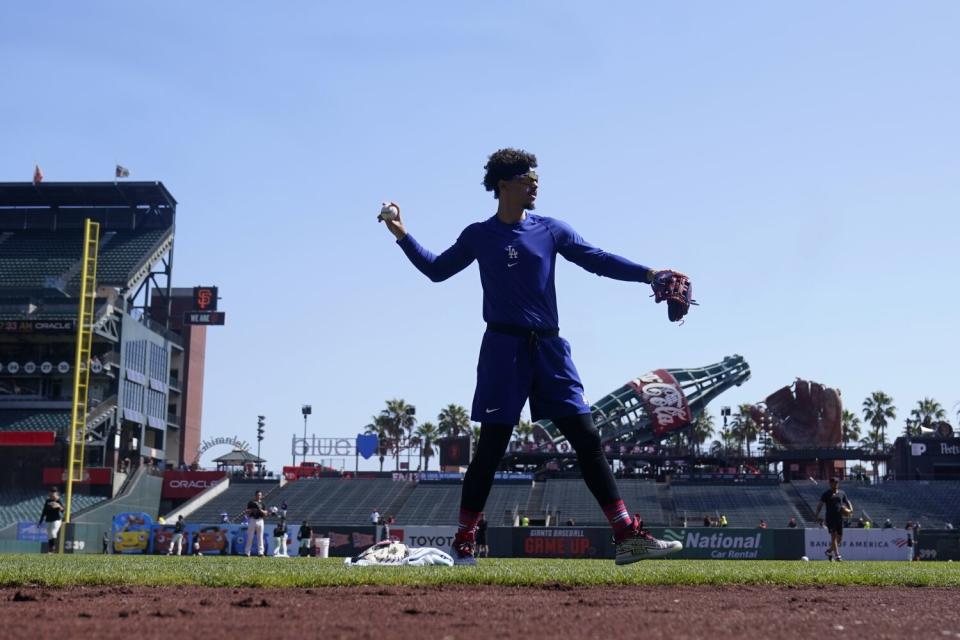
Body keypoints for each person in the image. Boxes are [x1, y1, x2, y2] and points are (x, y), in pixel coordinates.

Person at [380, 148, 683, 566]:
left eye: (535, 177)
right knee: (491, 449)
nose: (535, 184)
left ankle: (627, 535)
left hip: (551, 350)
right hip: (503, 350)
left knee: (587, 438)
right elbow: (436, 270)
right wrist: (401, 233)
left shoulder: (551, 229)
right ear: (504, 185)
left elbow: (597, 259)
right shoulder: (479, 234)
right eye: (526, 178)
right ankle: (464, 542)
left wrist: (649, 274)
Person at [814, 476, 852, 562]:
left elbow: (847, 501)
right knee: (833, 536)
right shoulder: (826, 494)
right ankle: (837, 556)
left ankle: (829, 551)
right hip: (830, 518)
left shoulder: (842, 493)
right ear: (830, 484)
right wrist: (816, 515)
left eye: (836, 482)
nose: (835, 484)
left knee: (840, 538)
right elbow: (820, 505)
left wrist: (851, 509)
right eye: (833, 482)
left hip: (839, 518)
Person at [38, 489, 64, 554]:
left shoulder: (58, 501)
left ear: (56, 494)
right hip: (48, 520)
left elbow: (63, 511)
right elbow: (44, 511)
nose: (52, 494)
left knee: (53, 533)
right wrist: (40, 521)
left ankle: (53, 548)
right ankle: (50, 550)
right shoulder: (48, 501)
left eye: (54, 493)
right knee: (49, 535)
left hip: (56, 520)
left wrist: (59, 506)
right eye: (51, 493)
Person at [244, 490, 269, 557]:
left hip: (260, 520)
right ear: (255, 495)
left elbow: (266, 513)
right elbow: (246, 511)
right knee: (250, 537)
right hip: (252, 520)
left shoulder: (263, 503)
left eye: (260, 495)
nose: (259, 496)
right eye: (258, 495)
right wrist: (252, 510)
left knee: (260, 537)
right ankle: (247, 552)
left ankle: (261, 553)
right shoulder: (251, 503)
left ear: (261, 496)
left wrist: (260, 509)